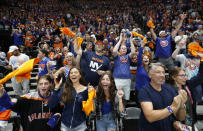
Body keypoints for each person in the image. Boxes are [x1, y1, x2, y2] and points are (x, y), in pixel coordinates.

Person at [138, 62, 187, 131]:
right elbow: (150, 117)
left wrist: (181, 105)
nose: (162, 75)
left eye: (163, 72)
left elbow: (181, 118)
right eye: (158, 72)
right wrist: (171, 108)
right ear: (150, 75)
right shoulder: (144, 91)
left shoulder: (170, 89)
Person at [112, 32, 135, 100]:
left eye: (125, 48)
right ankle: (118, 110)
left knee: (126, 98)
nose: (124, 49)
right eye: (122, 48)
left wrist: (130, 40)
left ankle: (124, 110)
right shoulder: (117, 57)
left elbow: (133, 52)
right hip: (117, 79)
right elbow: (114, 51)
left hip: (127, 79)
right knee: (117, 98)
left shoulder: (128, 57)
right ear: (119, 50)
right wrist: (120, 40)